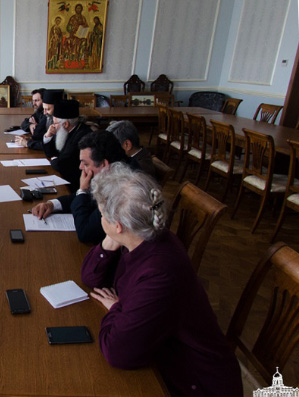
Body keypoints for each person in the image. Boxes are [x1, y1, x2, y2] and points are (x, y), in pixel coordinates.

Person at [81, 163, 243, 396]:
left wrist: (117, 308)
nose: (100, 219)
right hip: (162, 354)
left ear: (118, 225)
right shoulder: (141, 237)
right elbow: (91, 277)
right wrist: (110, 240)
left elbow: (118, 352)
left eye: (102, 214)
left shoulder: (160, 272)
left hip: (193, 382)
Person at [31, 131, 133, 244]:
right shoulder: (113, 171)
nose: (80, 167)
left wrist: (82, 190)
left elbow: (86, 233)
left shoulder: (123, 189)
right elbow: (83, 196)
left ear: (104, 164)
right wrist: (51, 204)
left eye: (86, 164)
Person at [43, 99, 92, 191]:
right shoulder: (65, 131)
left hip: (74, 184)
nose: (53, 126)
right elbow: (50, 154)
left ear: (65, 124)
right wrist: (48, 135)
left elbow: (62, 163)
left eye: (55, 123)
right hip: (63, 177)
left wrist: (55, 160)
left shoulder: (82, 135)